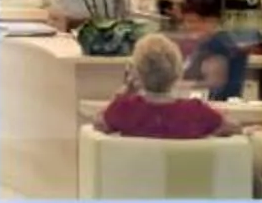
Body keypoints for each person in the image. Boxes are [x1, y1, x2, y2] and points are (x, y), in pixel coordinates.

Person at [98, 33, 231, 140]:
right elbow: (232, 127)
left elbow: (100, 123)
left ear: (137, 73)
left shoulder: (123, 110)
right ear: (178, 71)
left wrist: (126, 91)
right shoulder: (198, 112)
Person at [171, 0, 254, 102]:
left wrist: (176, 86)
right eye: (187, 22)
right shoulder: (217, 41)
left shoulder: (216, 45)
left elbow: (214, 82)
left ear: (211, 20)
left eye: (194, 21)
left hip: (218, 106)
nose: (189, 27)